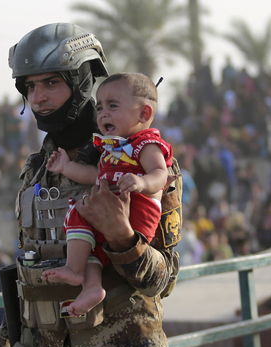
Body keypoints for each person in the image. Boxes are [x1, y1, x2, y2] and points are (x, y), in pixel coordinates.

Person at [0, 23, 180, 347]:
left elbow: (163, 280)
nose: (39, 99)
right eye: (30, 87)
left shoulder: (144, 166)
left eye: (51, 83)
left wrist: (121, 237)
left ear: (86, 81)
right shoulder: (37, 171)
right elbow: (32, 269)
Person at [41, 72, 174, 316]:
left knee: (84, 219)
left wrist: (141, 182)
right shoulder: (109, 148)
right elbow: (94, 175)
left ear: (144, 114)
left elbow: (160, 174)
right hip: (103, 213)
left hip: (138, 212)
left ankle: (78, 271)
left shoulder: (145, 144)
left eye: (112, 106)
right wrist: (66, 167)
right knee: (87, 239)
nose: (103, 113)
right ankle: (89, 285)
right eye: (100, 107)